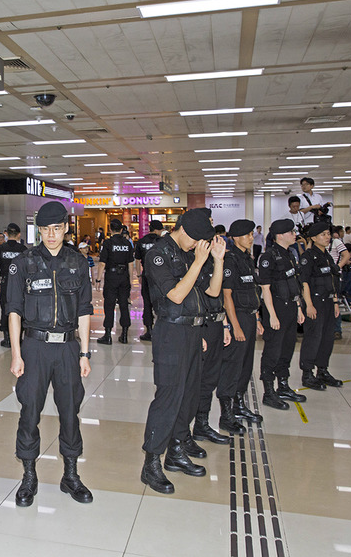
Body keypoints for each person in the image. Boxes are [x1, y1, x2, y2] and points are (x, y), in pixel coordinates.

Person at [6, 201, 93, 507]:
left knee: (70, 410)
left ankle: (71, 475)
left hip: (68, 346)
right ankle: (29, 476)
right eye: (45, 229)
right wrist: (16, 354)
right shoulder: (23, 263)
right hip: (35, 346)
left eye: (57, 228)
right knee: (30, 410)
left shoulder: (78, 262)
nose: (52, 235)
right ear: (38, 230)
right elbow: (14, 311)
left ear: (66, 228)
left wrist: (84, 353)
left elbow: (84, 310)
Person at [139, 209, 218, 495]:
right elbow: (175, 294)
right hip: (171, 333)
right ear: (182, 230)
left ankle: (176, 449)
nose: (197, 245)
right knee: (169, 396)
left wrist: (215, 262)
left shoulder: (188, 252)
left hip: (193, 331)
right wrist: (198, 262)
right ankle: (151, 462)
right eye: (195, 239)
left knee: (189, 395)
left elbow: (206, 293)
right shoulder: (158, 254)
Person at [190, 214, 234, 444]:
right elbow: (209, 293)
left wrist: (224, 322)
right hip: (202, 325)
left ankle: (202, 424)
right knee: (196, 380)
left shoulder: (214, 259)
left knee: (210, 379)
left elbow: (221, 297)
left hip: (216, 323)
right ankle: (185, 432)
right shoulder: (194, 261)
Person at [257, 219, 306, 410]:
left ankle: (283, 385)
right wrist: (271, 315)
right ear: (280, 235)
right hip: (276, 308)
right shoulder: (268, 257)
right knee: (273, 351)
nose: (294, 234)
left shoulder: (290, 254)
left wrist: (299, 308)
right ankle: (269, 391)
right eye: (291, 232)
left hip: (291, 308)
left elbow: (294, 284)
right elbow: (266, 289)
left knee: (287, 349)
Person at [221, 219, 264, 426]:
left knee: (245, 365)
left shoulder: (247, 258)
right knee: (233, 365)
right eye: (247, 234)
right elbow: (227, 295)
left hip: (248, 316)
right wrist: (234, 325)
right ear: (236, 237)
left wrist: (256, 317)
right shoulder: (231, 260)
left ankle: (239, 404)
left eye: (251, 234)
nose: (251, 237)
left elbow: (252, 290)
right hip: (236, 317)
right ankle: (226, 413)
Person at [298, 222, 343, 390]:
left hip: (328, 302)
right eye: (323, 235)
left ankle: (322, 370)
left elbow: (332, 281)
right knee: (313, 338)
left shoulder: (327, 256)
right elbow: (304, 283)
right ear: (314, 238)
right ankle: (307, 373)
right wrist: (308, 305)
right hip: (315, 302)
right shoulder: (308, 257)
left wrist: (335, 301)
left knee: (327, 338)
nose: (327, 237)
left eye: (328, 234)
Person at [96, 218, 136, 345]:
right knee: (124, 305)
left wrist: (98, 279)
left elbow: (102, 263)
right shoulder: (127, 243)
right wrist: (130, 279)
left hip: (111, 277)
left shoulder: (107, 244)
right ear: (121, 229)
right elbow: (130, 264)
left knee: (109, 304)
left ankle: (107, 335)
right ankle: (124, 335)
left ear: (110, 229)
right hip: (124, 276)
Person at [0, 223, 27, 348]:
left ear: (7, 234)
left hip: (5, 282)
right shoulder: (23, 250)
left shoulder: (0, 249)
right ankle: (18, 338)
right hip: (20, 283)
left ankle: (7, 338)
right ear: (19, 235)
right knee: (19, 308)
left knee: (5, 309)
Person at [135, 220, 164, 341]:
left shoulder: (141, 242)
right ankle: (161, 329)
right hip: (161, 277)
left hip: (146, 276)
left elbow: (137, 260)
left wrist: (139, 275)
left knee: (147, 303)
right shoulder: (162, 242)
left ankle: (149, 330)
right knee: (161, 302)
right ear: (158, 230)